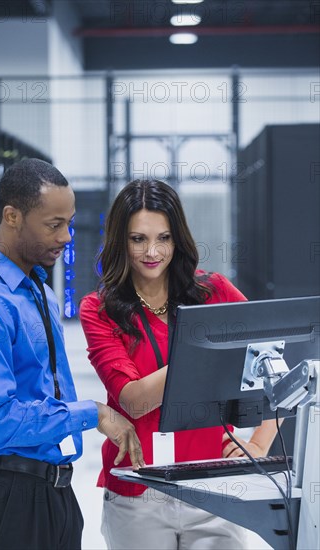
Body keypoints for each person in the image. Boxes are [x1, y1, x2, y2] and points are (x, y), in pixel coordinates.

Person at [0, 159, 144, 550]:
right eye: (53, 224)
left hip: (53, 493)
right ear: (12, 216)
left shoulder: (37, 291)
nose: (66, 237)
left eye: (69, 223)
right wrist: (90, 413)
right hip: (2, 500)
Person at [79, 179, 282, 550]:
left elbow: (278, 363)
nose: (152, 251)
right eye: (137, 238)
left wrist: (260, 441)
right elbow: (134, 400)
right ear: (119, 241)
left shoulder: (215, 292)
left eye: (164, 238)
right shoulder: (99, 309)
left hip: (213, 486)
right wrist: (206, 354)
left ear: (179, 239)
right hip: (137, 490)